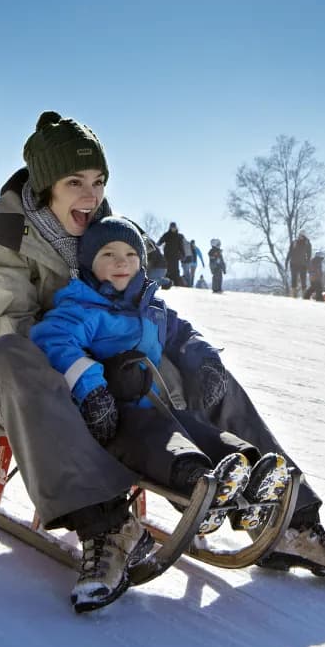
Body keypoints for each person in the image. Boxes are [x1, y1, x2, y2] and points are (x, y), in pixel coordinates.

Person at [0, 110, 325, 612]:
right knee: (12, 352)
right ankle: (108, 526)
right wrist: (90, 368)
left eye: (99, 181)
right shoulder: (2, 229)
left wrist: (189, 357)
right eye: (75, 182)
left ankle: (288, 519)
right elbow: (5, 324)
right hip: (14, 384)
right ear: (46, 187)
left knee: (193, 363)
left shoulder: (100, 225)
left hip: (105, 373)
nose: (91, 195)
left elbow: (145, 305)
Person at [29, 217, 291, 542]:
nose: (121, 262)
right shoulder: (82, 308)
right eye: (108, 254)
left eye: (130, 254)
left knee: (201, 431)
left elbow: (183, 335)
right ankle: (199, 487)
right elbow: (54, 341)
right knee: (165, 443)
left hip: (161, 405)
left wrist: (206, 361)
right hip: (115, 417)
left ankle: (251, 474)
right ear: (88, 264)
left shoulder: (150, 308)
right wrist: (92, 389)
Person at [157, 221, 187, 287]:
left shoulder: (178, 236)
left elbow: (181, 246)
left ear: (176, 228)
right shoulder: (167, 235)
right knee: (167, 269)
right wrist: (156, 245)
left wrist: (183, 254)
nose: (173, 229)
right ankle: (166, 284)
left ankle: (176, 284)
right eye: (172, 227)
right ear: (170, 228)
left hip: (175, 256)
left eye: (174, 227)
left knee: (175, 270)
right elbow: (160, 241)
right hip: (167, 255)